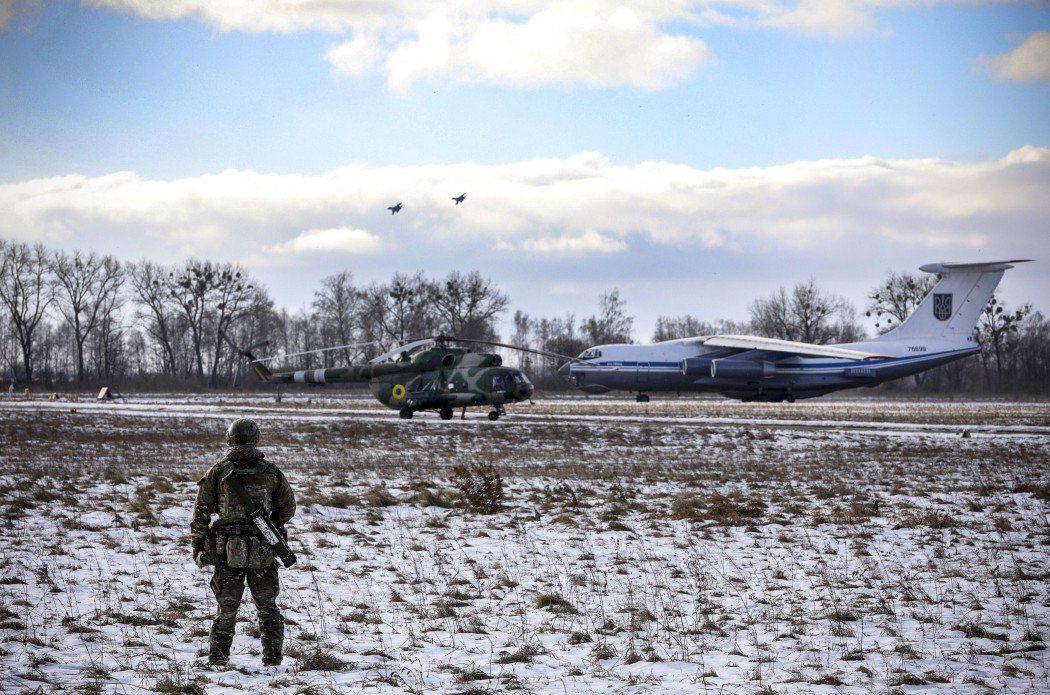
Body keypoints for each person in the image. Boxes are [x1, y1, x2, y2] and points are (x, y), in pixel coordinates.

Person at [191, 418, 296, 666]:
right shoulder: (271, 472)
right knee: (268, 607)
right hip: (263, 546)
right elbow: (288, 508)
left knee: (226, 609)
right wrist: (271, 523)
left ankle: (218, 659)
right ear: (255, 438)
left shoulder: (218, 472)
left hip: (227, 551)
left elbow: (201, 513)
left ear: (229, 439)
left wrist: (197, 546)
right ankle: (272, 660)